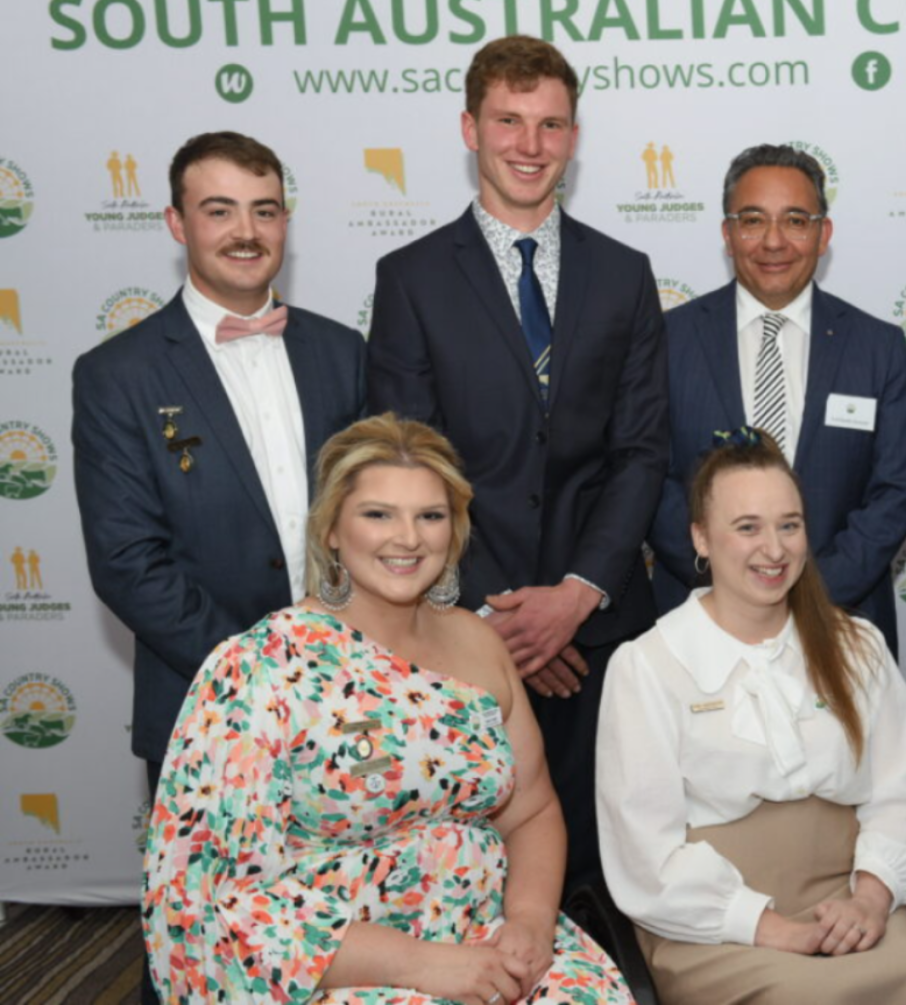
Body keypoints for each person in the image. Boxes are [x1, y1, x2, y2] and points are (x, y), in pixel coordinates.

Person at [142, 414, 633, 1005]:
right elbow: (211, 895)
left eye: (431, 515)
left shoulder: (480, 644)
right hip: (336, 967)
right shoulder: (261, 666)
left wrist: (529, 921)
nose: (409, 538)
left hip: (489, 938)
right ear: (331, 530)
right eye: (378, 514)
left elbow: (530, 809)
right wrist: (424, 967)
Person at [367, 35, 668, 892]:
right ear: (470, 127)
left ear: (574, 136)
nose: (530, 145)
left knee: (603, 870)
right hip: (462, 631)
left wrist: (574, 597)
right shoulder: (411, 278)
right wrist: (504, 623)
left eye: (550, 124)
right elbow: (407, 468)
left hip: (601, 630)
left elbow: (641, 451)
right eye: (509, 121)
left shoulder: (626, 274)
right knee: (470, 868)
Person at [597, 430, 906, 1005]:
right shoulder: (646, 667)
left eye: (789, 525)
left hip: (846, 894)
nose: (774, 548)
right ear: (701, 538)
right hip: (710, 919)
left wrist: (869, 898)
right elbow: (647, 854)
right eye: (748, 527)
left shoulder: (856, 645)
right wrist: (771, 927)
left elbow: (899, 792)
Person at [73, 130, 366, 834]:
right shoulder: (118, 374)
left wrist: (349, 664)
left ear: (285, 224)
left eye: (265, 211)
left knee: (358, 918)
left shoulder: (343, 352)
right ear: (177, 223)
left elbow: (378, 520)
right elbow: (127, 563)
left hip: (353, 698)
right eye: (220, 210)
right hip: (205, 701)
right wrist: (265, 676)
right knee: (211, 931)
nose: (246, 232)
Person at [650, 143, 906, 655]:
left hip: (843, 623)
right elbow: (648, 478)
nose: (774, 241)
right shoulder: (666, 341)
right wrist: (732, 590)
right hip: (699, 622)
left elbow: (896, 490)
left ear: (824, 234)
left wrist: (809, 595)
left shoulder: (878, 347)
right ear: (728, 234)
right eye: (753, 220)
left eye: (796, 220)